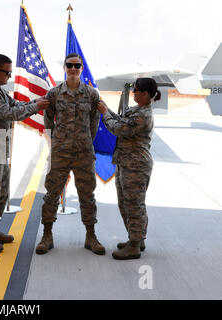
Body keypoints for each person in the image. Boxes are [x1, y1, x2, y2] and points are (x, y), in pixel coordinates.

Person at [0, 54, 50, 253]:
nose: (9, 76)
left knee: (0, 191)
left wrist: (35, 102)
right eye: (7, 73)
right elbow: (8, 114)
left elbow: (14, 105)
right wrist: (36, 107)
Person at [36, 53, 105, 255]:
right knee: (51, 195)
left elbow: (94, 122)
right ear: (64, 67)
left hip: (83, 152)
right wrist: (56, 142)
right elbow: (48, 121)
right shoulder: (54, 93)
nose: (73, 69)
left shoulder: (91, 94)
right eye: (69, 65)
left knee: (87, 195)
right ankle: (47, 235)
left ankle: (91, 236)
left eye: (76, 66)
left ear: (81, 68)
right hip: (61, 153)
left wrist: (85, 142)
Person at [97, 77, 159, 260]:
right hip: (126, 163)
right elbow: (121, 119)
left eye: (136, 90)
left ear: (145, 94)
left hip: (136, 166)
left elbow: (118, 128)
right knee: (126, 203)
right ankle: (137, 239)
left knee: (134, 205)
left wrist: (104, 114)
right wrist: (106, 109)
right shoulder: (138, 110)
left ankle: (134, 245)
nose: (133, 93)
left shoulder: (143, 115)